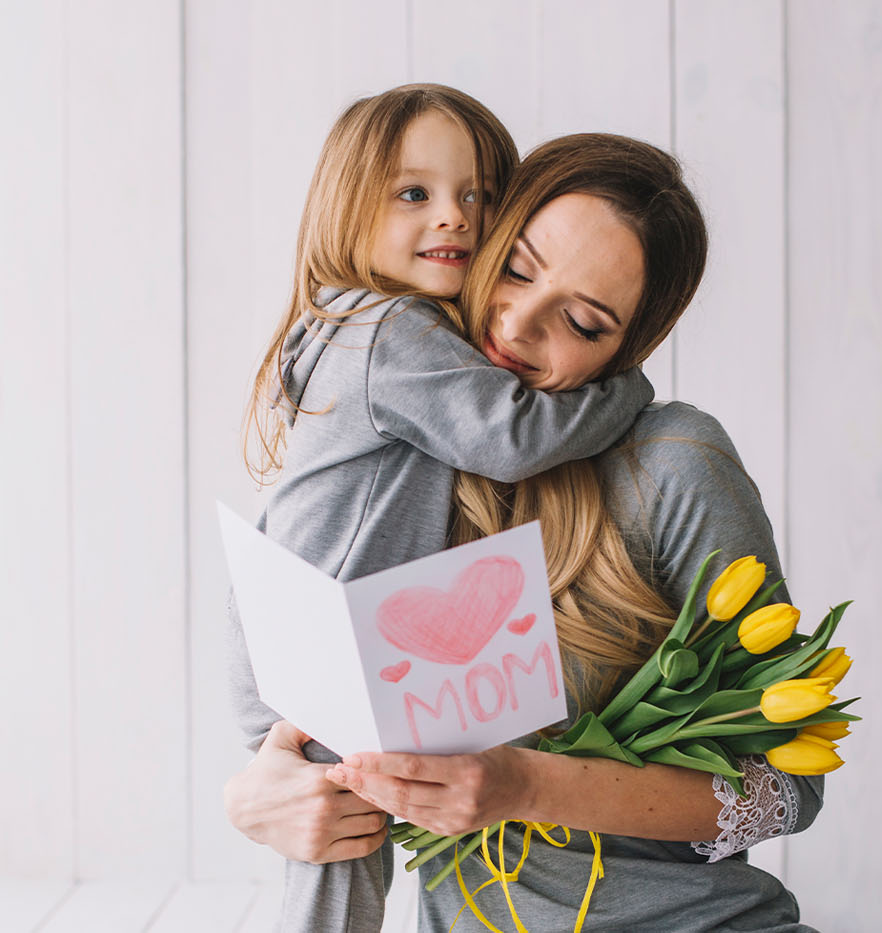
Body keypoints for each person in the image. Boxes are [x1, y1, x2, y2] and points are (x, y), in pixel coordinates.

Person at [227, 133, 824, 932]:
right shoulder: (388, 445)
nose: (518, 321)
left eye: (582, 321)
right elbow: (289, 684)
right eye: (515, 267)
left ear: (626, 351)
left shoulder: (674, 465)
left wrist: (526, 784)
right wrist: (259, 794)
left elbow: (788, 788)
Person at [230, 85, 657, 931]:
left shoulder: (341, 326)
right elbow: (512, 436)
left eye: (478, 194)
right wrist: (626, 388)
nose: (455, 217)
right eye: (415, 193)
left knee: (343, 853)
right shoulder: (389, 329)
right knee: (340, 860)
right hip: (331, 650)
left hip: (298, 632)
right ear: (349, 207)